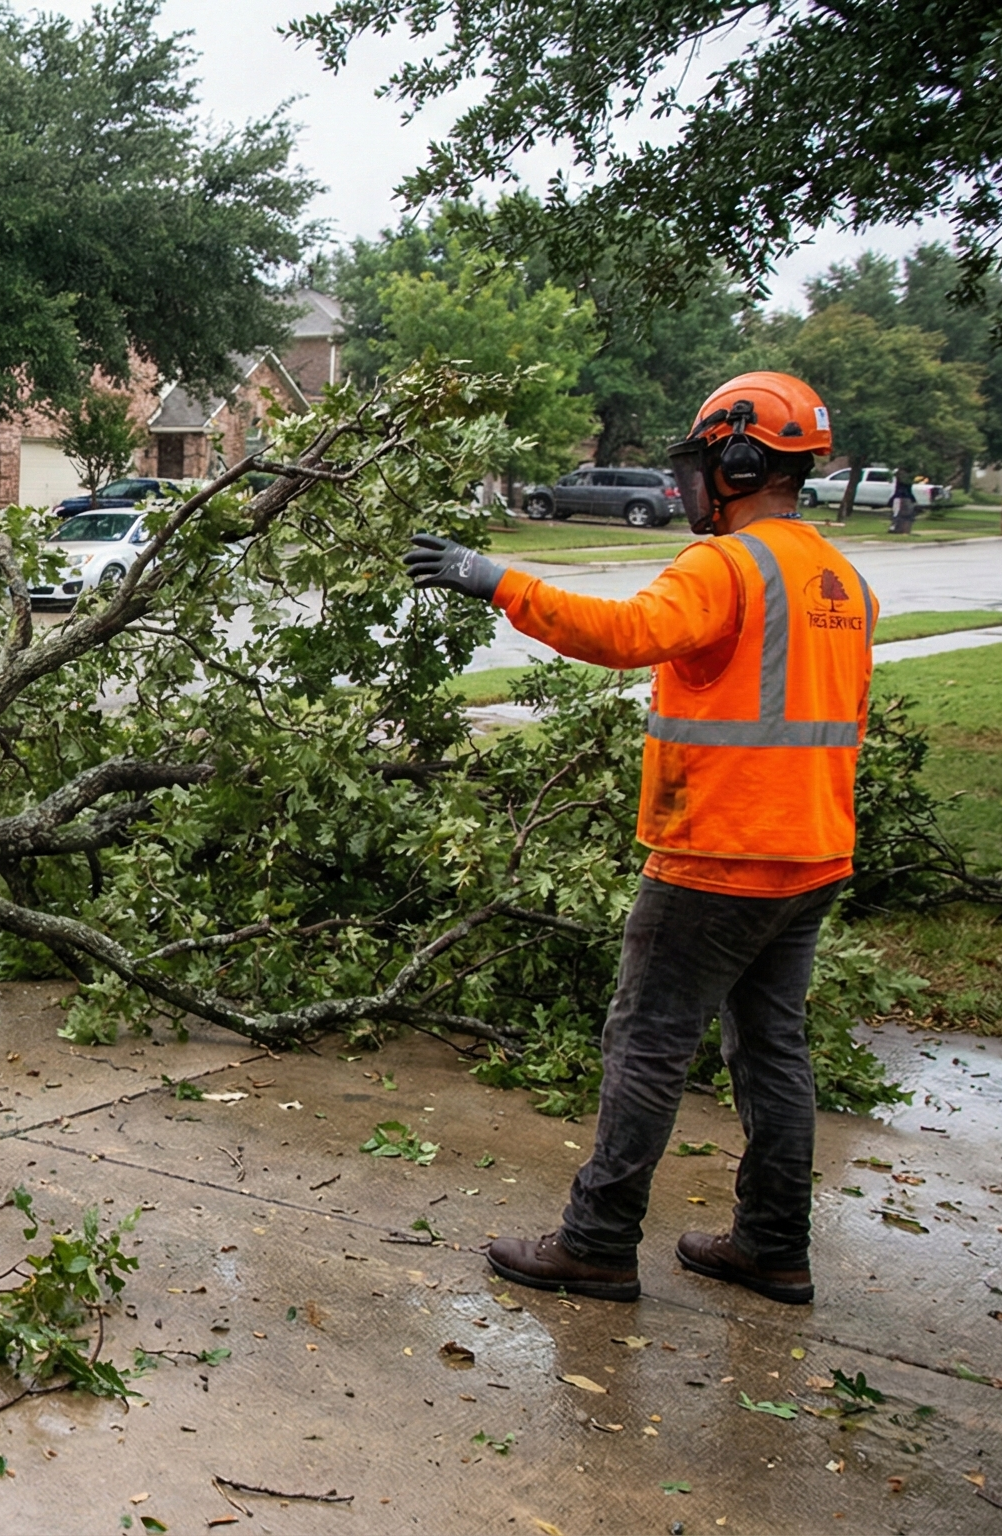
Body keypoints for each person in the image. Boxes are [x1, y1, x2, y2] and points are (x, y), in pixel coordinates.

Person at [406, 372, 873, 1306]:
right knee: (772, 1049)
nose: (693, 482)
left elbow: (625, 634)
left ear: (740, 461)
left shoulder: (727, 567)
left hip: (719, 856)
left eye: (702, 462)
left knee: (648, 1045)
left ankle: (597, 1240)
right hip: (811, 852)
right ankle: (774, 1246)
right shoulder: (840, 578)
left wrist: (493, 578)